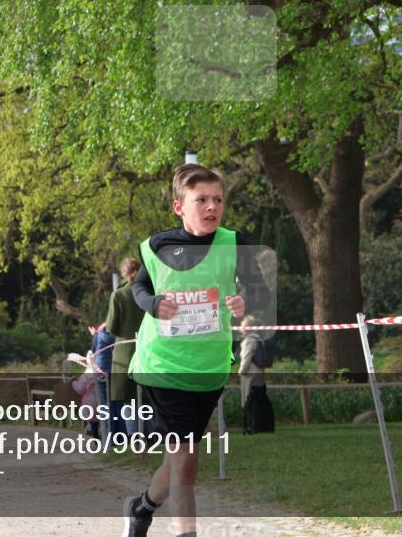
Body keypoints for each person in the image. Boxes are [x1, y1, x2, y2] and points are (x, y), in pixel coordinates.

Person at [124, 163, 269, 537]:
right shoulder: (157, 246)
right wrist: (154, 304)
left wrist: (244, 302)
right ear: (179, 206)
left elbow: (259, 291)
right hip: (163, 364)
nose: (211, 207)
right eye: (201, 199)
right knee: (187, 456)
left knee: (179, 459)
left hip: (209, 366)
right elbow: (139, 288)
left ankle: (142, 507)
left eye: (217, 200)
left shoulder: (233, 243)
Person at [106, 257, 145, 436]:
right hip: (149, 350)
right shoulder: (149, 293)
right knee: (148, 396)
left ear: (123, 273)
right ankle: (152, 434)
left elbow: (111, 328)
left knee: (128, 400)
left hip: (125, 352)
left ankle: (134, 436)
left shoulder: (119, 295)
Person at [90, 321, 115, 438]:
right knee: (112, 403)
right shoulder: (114, 336)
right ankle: (113, 434)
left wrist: (94, 335)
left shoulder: (99, 334)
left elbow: (94, 350)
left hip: (100, 371)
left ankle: (106, 435)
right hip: (112, 370)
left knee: (103, 403)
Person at [238, 315, 267, 406]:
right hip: (258, 372)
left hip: (250, 374)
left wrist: (241, 371)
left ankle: (250, 418)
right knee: (258, 400)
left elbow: (246, 359)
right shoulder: (259, 339)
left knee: (249, 400)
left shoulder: (249, 341)